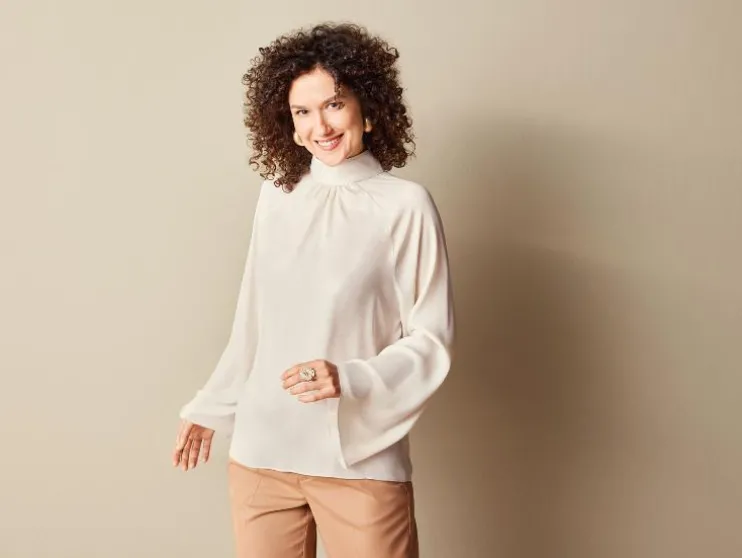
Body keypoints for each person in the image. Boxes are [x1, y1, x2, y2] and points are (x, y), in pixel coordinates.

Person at [172, 22, 455, 558]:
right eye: (302, 112)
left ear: (367, 108)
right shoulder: (277, 196)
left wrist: (348, 377)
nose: (319, 126)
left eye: (333, 105)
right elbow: (254, 318)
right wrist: (212, 404)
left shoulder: (405, 206)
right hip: (261, 455)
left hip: (357, 461)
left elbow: (431, 339)